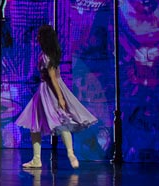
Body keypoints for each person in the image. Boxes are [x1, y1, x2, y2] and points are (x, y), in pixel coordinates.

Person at [14, 24, 97, 169]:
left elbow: (53, 78)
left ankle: (67, 154)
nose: (37, 38)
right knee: (40, 124)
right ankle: (40, 158)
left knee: (57, 122)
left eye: (40, 36)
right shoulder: (48, 55)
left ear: (44, 38)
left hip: (49, 91)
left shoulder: (46, 56)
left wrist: (60, 97)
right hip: (46, 90)